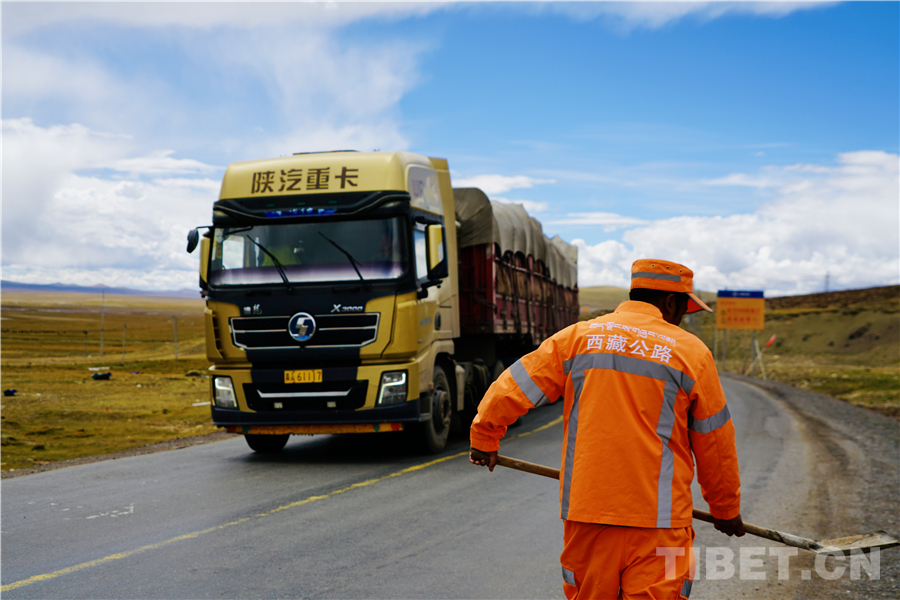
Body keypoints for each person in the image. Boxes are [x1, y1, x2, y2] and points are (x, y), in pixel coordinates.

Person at [470, 258, 744, 600]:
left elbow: (513, 386)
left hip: (588, 516)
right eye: (683, 310)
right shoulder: (692, 353)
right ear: (670, 302)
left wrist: (485, 436)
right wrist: (725, 510)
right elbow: (715, 441)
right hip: (660, 524)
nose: (680, 319)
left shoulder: (578, 338)